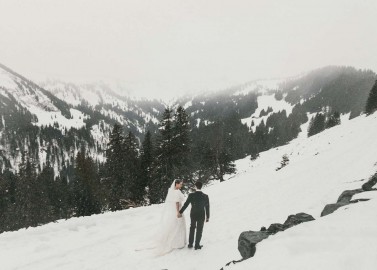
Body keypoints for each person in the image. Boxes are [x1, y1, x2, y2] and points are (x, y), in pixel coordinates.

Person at [155, 179, 187, 255]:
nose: (181, 185)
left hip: (177, 209)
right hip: (178, 210)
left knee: (176, 225)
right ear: (176, 184)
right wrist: (178, 212)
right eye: (180, 184)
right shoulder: (176, 192)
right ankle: (178, 242)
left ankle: (179, 241)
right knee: (179, 226)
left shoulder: (175, 191)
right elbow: (176, 202)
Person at [178, 181, 210, 250]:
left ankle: (190, 244)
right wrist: (208, 217)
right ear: (201, 187)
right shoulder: (205, 196)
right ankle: (197, 245)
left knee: (192, 228)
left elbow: (186, 204)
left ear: (195, 187)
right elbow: (207, 207)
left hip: (193, 214)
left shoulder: (191, 195)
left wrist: (180, 211)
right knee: (199, 229)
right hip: (201, 214)